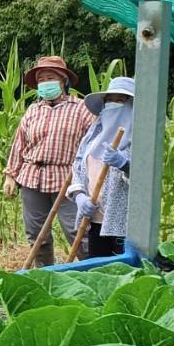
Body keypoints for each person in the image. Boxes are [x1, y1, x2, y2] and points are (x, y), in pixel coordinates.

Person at [3, 55, 94, 266]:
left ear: (64, 81)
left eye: (50, 77)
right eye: (41, 80)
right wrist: (10, 176)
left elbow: (94, 144)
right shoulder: (33, 110)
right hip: (32, 177)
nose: (45, 83)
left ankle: (92, 270)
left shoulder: (81, 109)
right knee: (36, 234)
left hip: (67, 178)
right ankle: (45, 274)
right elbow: (19, 145)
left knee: (77, 230)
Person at [69, 77, 134, 258]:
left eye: (120, 100)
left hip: (122, 223)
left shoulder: (140, 138)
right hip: (95, 218)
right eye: (110, 100)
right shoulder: (92, 137)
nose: (114, 105)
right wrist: (80, 196)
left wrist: (125, 164)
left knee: (124, 270)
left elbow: (146, 178)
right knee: (98, 269)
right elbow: (78, 167)